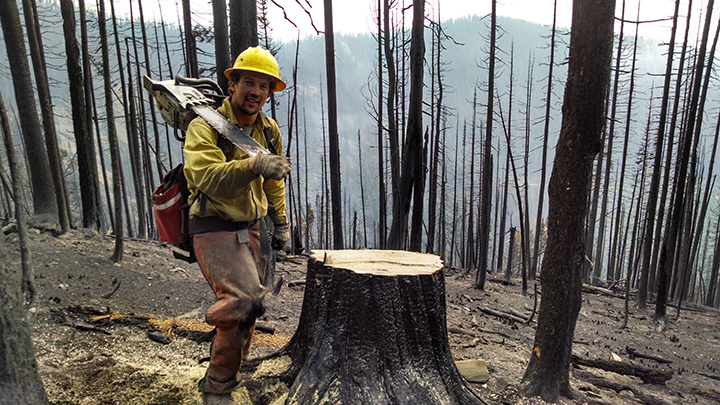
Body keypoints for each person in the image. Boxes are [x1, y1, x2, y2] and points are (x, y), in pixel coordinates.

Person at [183, 46, 291, 405]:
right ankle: (217, 387)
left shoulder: (268, 131)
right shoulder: (206, 125)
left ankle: (234, 369)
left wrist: (281, 223)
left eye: (264, 86)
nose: (255, 92)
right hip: (213, 224)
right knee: (241, 301)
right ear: (233, 85)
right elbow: (205, 177)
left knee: (254, 305)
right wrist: (252, 166)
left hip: (253, 227)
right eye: (248, 82)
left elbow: (274, 182)